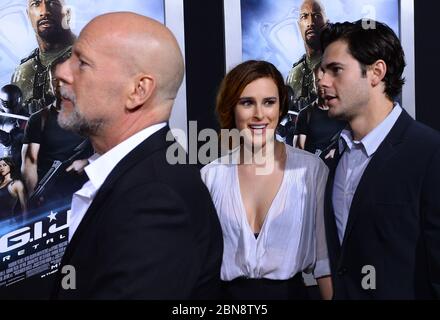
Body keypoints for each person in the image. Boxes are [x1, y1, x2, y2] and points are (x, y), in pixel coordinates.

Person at [51, 12, 223, 299]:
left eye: (82, 63)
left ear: (138, 91)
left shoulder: (156, 201)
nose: (62, 72)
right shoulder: (147, 174)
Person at [318, 20, 440, 299]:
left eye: (335, 70)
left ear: (376, 72)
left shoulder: (430, 153)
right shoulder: (332, 158)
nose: (322, 81)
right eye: (323, 70)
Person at [201, 60, 332, 300]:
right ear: (232, 108)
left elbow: (324, 264)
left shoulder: (310, 171)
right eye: (247, 103)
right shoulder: (211, 176)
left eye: (269, 102)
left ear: (281, 107)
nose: (259, 114)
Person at [11, 0, 75, 115]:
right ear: (28, 15)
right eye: (36, 4)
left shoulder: (91, 58)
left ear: (67, 13)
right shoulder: (23, 72)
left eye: (53, 3)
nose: (44, 12)